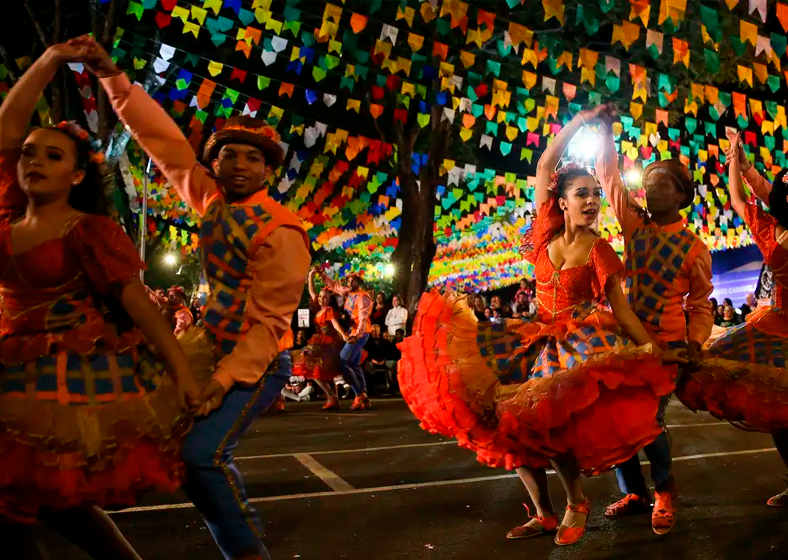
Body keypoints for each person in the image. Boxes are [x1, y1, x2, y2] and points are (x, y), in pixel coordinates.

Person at [399, 104, 682, 547]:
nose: (591, 201)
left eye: (595, 194)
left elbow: (622, 311)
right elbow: (546, 164)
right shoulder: (544, 236)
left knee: (553, 427)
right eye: (581, 194)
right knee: (503, 423)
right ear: (562, 201)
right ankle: (545, 512)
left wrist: (651, 349)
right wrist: (582, 120)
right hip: (531, 338)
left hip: (576, 344)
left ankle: (576, 502)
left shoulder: (601, 251)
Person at [81, 36, 310, 560]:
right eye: (228, 154)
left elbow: (270, 324)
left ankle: (247, 553)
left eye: (253, 158)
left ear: (268, 171)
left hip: (255, 361)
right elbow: (162, 142)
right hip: (205, 342)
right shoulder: (209, 199)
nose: (238, 164)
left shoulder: (282, 229)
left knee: (200, 455)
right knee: (159, 441)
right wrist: (112, 78)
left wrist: (220, 381)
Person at [0, 42, 201, 560]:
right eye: (29, 153)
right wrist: (46, 60)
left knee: (18, 501)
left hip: (58, 381)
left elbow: (139, 305)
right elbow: (5, 131)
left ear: (77, 174)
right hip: (8, 366)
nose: (34, 161)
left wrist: (183, 375)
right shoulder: (6, 217)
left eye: (52, 155)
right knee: (39, 500)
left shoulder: (87, 230)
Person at [596, 108, 713, 535]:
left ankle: (664, 489)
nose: (649, 188)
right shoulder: (634, 227)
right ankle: (633, 491)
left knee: (646, 420)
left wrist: (696, 342)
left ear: (681, 195)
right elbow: (609, 179)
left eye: (660, 183)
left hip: (665, 347)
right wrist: (605, 134)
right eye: (647, 182)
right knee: (613, 416)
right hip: (622, 339)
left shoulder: (695, 248)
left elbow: (701, 304)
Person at [678, 133, 788, 507]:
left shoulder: (772, 234)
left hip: (776, 330)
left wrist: (734, 161)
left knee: (778, 410)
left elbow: (739, 199)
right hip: (776, 327)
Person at [292, 269, 349, 411]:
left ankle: (333, 396)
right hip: (319, 341)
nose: (321, 299)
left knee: (314, 365)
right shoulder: (318, 307)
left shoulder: (329, 310)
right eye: (320, 297)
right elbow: (312, 292)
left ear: (329, 299)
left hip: (329, 342)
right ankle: (332, 396)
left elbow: (335, 324)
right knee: (312, 369)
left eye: (324, 297)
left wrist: (344, 335)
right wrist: (310, 275)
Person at [322, 272, 373, 410]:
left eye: (351, 282)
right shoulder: (349, 292)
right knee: (354, 365)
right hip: (353, 333)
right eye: (348, 281)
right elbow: (334, 286)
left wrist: (356, 335)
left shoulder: (363, 297)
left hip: (360, 334)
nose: (348, 284)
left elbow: (362, 319)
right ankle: (364, 397)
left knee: (343, 361)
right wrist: (321, 273)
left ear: (357, 282)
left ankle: (359, 395)